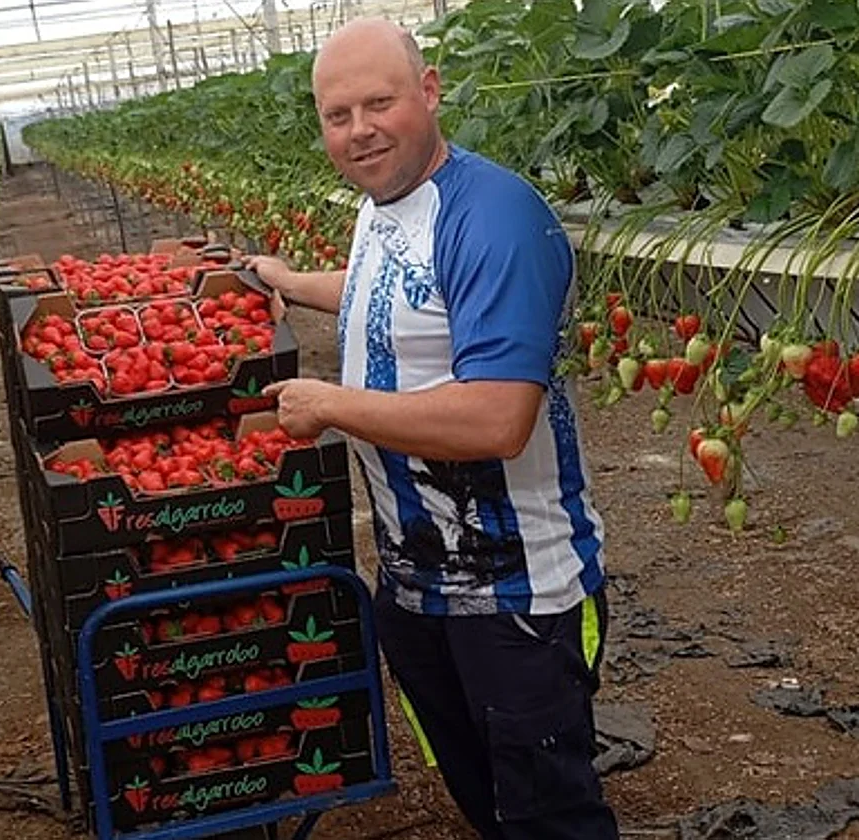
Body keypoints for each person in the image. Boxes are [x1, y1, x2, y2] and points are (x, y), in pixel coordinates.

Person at [244, 17, 621, 840]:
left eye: (378, 103)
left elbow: (498, 418)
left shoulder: (496, 217)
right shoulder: (386, 204)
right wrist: (293, 282)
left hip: (519, 596)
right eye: (337, 116)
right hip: (418, 585)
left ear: (430, 90)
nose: (359, 130)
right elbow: (399, 292)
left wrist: (330, 404)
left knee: (548, 815)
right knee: (485, 800)